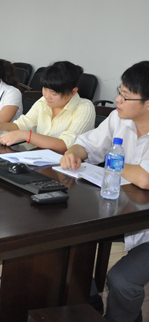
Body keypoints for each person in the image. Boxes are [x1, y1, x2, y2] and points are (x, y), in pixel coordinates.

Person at [60, 61, 149, 322]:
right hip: (125, 213)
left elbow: (145, 179)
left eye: (126, 96)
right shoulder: (118, 118)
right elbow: (87, 145)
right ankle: (90, 306)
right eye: (120, 91)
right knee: (67, 245)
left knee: (121, 280)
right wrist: (73, 153)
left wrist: (111, 163)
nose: (117, 100)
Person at [0, 61, 95, 153]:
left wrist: (26, 135)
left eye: (54, 93)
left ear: (73, 92)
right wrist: (0, 125)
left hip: (64, 164)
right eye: (45, 89)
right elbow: (23, 124)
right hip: (39, 157)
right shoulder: (43, 101)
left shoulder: (84, 108)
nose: (47, 96)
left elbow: (65, 145)